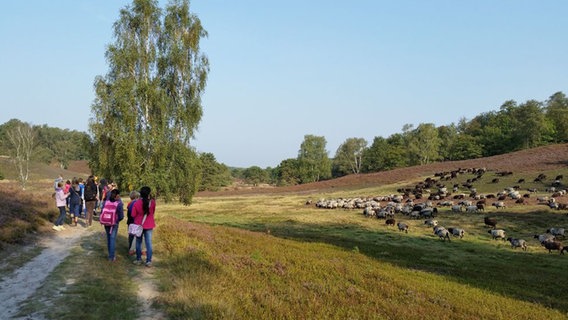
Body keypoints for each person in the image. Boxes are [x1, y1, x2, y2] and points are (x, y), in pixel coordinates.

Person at [132, 186, 156, 267]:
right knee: (148, 243)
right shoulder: (152, 202)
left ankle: (138, 259)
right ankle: (148, 261)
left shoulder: (137, 203)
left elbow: (133, 214)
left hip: (139, 225)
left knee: (138, 242)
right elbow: (153, 212)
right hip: (149, 225)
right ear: (149, 193)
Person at [102, 188, 124, 262]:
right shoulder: (119, 204)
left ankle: (110, 255)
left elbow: (102, 211)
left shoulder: (106, 202)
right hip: (114, 223)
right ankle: (111, 257)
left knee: (108, 238)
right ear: (117, 195)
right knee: (112, 239)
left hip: (106, 222)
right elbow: (121, 216)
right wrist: (116, 220)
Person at [126, 190, 140, 255]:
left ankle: (130, 248)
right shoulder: (137, 203)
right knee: (137, 235)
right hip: (135, 221)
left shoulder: (129, 204)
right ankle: (135, 249)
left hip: (130, 222)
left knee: (131, 236)